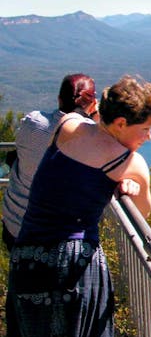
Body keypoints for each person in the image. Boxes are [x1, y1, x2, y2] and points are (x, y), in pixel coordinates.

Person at [4, 75, 151, 337]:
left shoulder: (68, 125)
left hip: (27, 257)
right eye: (146, 129)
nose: (149, 138)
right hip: (73, 268)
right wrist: (130, 182)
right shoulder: (129, 162)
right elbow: (144, 211)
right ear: (121, 123)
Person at [1, 73, 99, 250]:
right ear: (92, 104)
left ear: (59, 99)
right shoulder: (91, 138)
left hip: (14, 224)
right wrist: (93, 120)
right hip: (56, 238)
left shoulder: (32, 122)